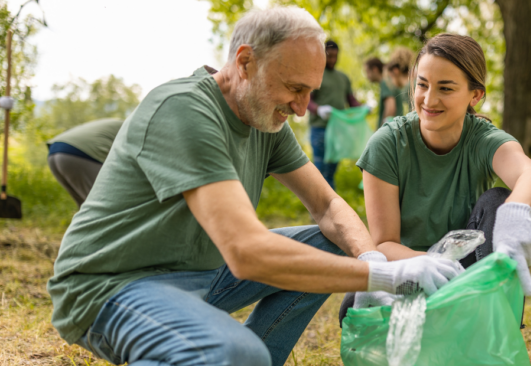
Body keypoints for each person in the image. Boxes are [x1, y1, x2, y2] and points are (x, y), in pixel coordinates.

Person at [47, 8, 460, 366]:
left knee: (336, 240)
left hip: (201, 273)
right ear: (244, 62)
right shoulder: (183, 109)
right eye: (295, 89)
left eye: (310, 92)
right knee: (234, 354)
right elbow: (246, 252)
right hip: (109, 287)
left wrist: (373, 258)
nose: (301, 108)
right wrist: (384, 278)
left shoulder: (265, 117)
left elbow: (328, 206)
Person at [339, 33, 531, 323]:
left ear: (475, 95)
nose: (429, 99)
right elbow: (384, 244)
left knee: (499, 201)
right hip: (407, 272)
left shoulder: (483, 140)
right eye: (422, 85)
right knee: (353, 302)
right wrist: (430, 263)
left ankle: (495, 324)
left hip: (468, 274)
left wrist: (516, 214)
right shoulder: (387, 144)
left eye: (446, 88)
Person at [307, 40, 364, 189]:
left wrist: (364, 108)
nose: (332, 59)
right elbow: (307, 100)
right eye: (329, 56)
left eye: (335, 56)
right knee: (320, 170)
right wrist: (318, 109)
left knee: (331, 171)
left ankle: (329, 209)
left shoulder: (343, 78)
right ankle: (317, 209)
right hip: (320, 129)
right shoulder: (316, 74)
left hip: (338, 130)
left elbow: (351, 101)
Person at [46, 118, 123, 207]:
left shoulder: (122, 124)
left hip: (54, 152)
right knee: (106, 206)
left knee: (85, 206)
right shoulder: (135, 129)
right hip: (79, 153)